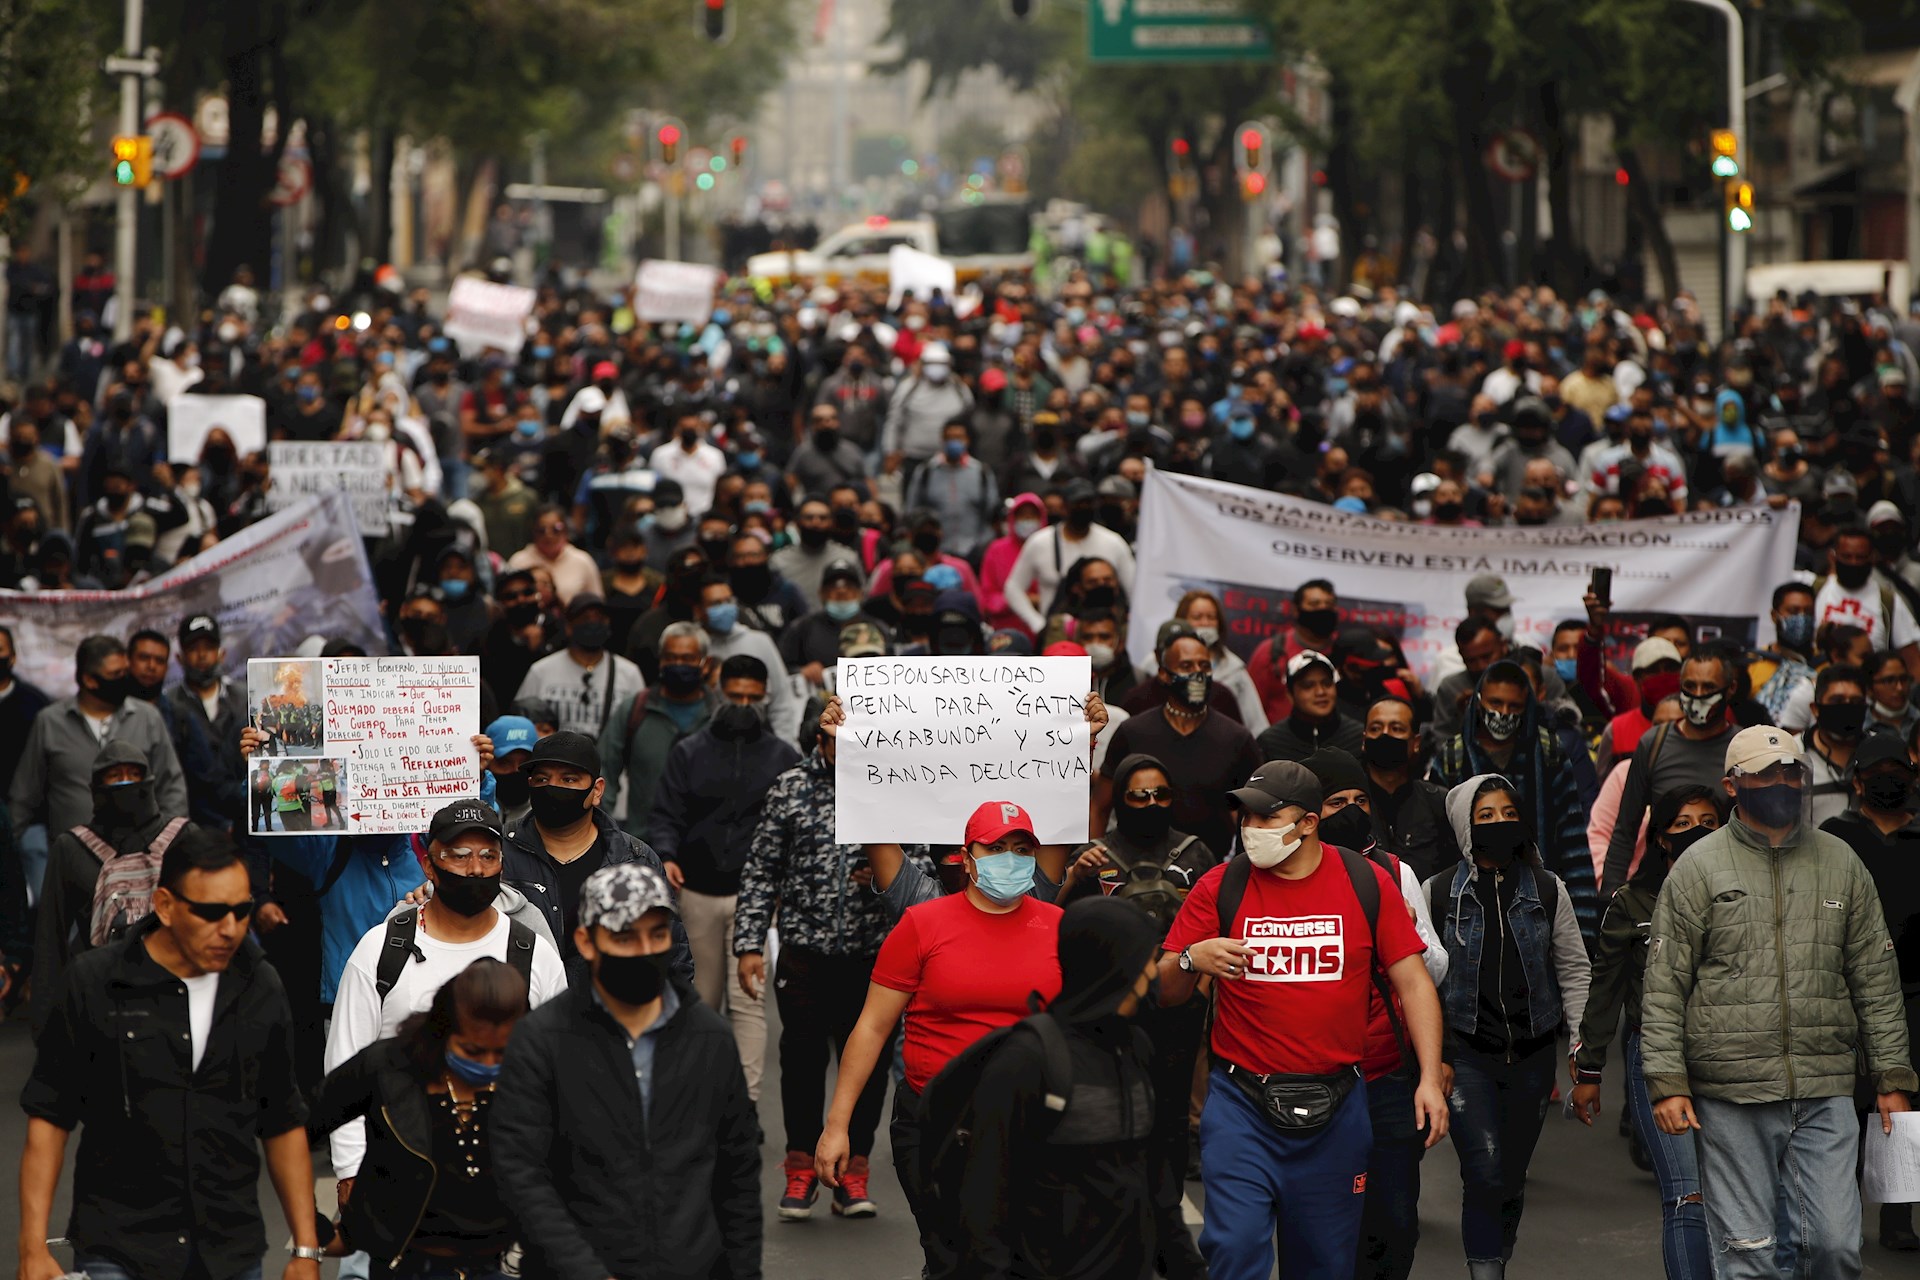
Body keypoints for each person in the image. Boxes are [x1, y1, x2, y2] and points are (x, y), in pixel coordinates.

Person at [1641, 725, 1917, 1280]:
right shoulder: (1698, 867)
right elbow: (1665, 984)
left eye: (1792, 773)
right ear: (1732, 785)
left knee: (1834, 1248)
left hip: (1825, 1088)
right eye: (1766, 775)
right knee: (1749, 1255)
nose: (1782, 784)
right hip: (1730, 1094)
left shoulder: (1840, 862)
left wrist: (1891, 1076)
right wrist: (1667, 1082)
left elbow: (1876, 979)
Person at [1156, 761, 1447, 1280]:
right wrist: (1190, 958)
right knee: (1234, 1249)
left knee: (1324, 1265)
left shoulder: (1366, 882)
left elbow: (1414, 983)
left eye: (1266, 817)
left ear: (1309, 823)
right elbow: (1164, 990)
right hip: (1241, 1105)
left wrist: (1428, 1077)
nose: (1251, 828)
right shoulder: (1222, 885)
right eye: (1245, 816)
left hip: (1338, 1109)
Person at [18, 826, 323, 1280]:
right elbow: (49, 1117)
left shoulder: (260, 986)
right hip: (119, 1247)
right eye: (211, 913)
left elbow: (282, 1121)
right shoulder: (94, 982)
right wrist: (31, 1248)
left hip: (229, 1252)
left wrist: (306, 1250)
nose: (229, 929)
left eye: (241, 911)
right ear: (164, 906)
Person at [813, 801, 1066, 1273]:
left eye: (1021, 849)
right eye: (995, 848)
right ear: (966, 858)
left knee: (1025, 1260)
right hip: (936, 1124)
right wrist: (836, 1126)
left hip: (1030, 1126)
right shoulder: (922, 923)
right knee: (952, 1257)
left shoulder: (1057, 926)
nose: (1010, 859)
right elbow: (872, 1026)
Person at [491, 861, 762, 1280]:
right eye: (624, 937)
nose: (644, 950)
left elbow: (737, 1175)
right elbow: (521, 1173)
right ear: (587, 941)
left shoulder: (709, 1038)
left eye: (657, 934)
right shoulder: (542, 1040)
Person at [324, 801, 568, 1238]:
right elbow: (345, 1060)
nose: (475, 869)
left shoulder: (535, 954)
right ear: (428, 864)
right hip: (397, 1182)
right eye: (459, 855)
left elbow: (562, 1073)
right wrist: (349, 1168)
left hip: (507, 1187)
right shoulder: (380, 950)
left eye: (488, 856)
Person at [734, 703, 924, 1223]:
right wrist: (749, 943)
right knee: (800, 1061)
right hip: (803, 952)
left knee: (869, 1065)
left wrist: (885, 876)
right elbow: (761, 869)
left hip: (875, 954)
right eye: (841, 738)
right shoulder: (790, 787)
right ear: (821, 739)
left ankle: (853, 1171)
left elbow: (925, 867)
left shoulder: (897, 787)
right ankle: (800, 1168)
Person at [1054, 754, 1221, 1279]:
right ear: (1120, 799)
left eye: (1161, 794)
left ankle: (1163, 1220)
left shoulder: (1196, 852)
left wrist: (1199, 993)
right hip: (1110, 1014)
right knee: (1112, 1114)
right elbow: (1058, 925)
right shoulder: (1094, 855)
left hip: (1175, 1009)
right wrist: (1072, 877)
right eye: (1138, 795)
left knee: (1168, 1120)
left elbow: (1217, 923)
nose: (1151, 804)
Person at [1427, 774, 1592, 1280]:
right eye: (1485, 816)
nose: (1499, 823)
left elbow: (1574, 968)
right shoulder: (1438, 893)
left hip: (1533, 1055)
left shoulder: (1547, 888)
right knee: (1483, 1170)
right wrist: (1435, 1060)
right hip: (1466, 1054)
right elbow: (1424, 982)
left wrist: (1581, 1049)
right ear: (1464, 826)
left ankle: (1496, 1255)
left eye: (1508, 813)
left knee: (1511, 1176)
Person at [948, 897, 1165, 1280]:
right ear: (1117, 967)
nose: (1154, 972)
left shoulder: (1137, 1048)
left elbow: (1157, 1187)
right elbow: (985, 1197)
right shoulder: (1027, 1060)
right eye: (1148, 960)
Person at [1572, 785, 1726, 1280]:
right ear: (1660, 836)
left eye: (1708, 822)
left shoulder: (1744, 895)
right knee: (1687, 1196)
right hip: (1657, 1056)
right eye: (1683, 823)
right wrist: (1589, 1069)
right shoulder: (1632, 902)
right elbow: (1606, 988)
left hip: (1732, 1058)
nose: (1697, 832)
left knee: (1735, 1197)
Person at [307, 958, 531, 1280]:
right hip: (407, 1268)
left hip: (501, 1267)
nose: (487, 1064)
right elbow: (293, 1131)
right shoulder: (389, 1068)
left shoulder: (530, 1077)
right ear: (443, 1028)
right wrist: (310, 1230)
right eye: (472, 1051)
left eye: (501, 1053)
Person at [648, 654, 800, 1101]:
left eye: (753, 698)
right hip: (696, 892)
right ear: (719, 692)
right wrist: (666, 856)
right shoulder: (689, 751)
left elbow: (793, 829)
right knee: (700, 1000)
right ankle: (700, 1099)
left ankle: (746, 1101)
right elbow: (666, 813)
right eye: (735, 696)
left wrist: (781, 885)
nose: (744, 706)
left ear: (766, 697)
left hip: (756, 900)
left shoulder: (783, 756)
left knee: (749, 1003)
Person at [1818, 729, 1920, 1251]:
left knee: (1904, 1103)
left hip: (1914, 989)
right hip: (1847, 988)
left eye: (1897, 772)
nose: (1887, 781)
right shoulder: (1833, 838)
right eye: (1877, 772)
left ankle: (1897, 1214)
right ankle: (1844, 1215)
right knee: (1849, 1103)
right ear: (1856, 781)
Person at [498, 730, 694, 981]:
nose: (553, 787)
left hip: (614, 1001)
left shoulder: (635, 860)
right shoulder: (499, 852)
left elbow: (673, 956)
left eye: (569, 779)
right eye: (542, 779)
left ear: (597, 790)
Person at [1429, 659, 1600, 944]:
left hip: (1542, 906)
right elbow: (1439, 846)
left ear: (1528, 706)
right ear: (1478, 701)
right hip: (1466, 914)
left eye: (1514, 706)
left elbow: (1573, 842)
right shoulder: (1452, 756)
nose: (1504, 713)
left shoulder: (1549, 751)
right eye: (1495, 703)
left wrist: (1583, 930)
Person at [29, 740, 190, 1031]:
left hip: (174, 990)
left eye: (133, 774)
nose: (125, 782)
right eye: (115, 776)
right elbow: (50, 940)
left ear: (148, 780)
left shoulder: (183, 837)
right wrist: (46, 1026)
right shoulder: (71, 848)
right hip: (100, 999)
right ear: (97, 787)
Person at [1095, 631, 1262, 858]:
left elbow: (1253, 812)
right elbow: (1100, 807)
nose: (1197, 673)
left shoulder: (1236, 738)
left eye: (1204, 666)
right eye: (1186, 666)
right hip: (1137, 866)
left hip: (1209, 867)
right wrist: (1095, 858)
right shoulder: (1132, 732)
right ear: (1164, 674)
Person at [10, 634, 188, 846]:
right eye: (115, 674)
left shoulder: (147, 718)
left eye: (125, 671)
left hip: (140, 852)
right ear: (89, 680)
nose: (125, 678)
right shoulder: (50, 722)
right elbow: (24, 795)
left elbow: (172, 788)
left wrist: (168, 844)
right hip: (74, 854)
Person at [1599, 650, 1741, 896]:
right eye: (1690, 686)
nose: (1698, 694)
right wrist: (1611, 896)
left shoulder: (1743, 746)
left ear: (1730, 689)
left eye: (1708, 686)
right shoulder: (1654, 743)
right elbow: (1626, 828)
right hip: (1660, 890)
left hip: (1727, 890)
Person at [600, 621, 719, 837]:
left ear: (706, 663)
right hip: (643, 841)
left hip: (705, 844)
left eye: (687, 659)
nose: (678, 664)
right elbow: (605, 769)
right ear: (660, 660)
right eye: (670, 658)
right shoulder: (635, 709)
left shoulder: (719, 715)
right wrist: (604, 830)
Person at [1002, 478, 1136, 636]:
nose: (1083, 508)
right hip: (1057, 635)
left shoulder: (1113, 543)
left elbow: (1135, 590)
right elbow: (1013, 588)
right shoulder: (1040, 542)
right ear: (1064, 507)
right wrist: (1037, 624)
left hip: (1104, 635)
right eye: (1078, 504)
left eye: (1088, 503)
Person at [513, 592, 645, 739]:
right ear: (569, 626)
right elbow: (520, 722)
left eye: (599, 618)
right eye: (585, 618)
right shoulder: (541, 671)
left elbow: (641, 729)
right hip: (555, 752)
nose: (593, 623)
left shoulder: (629, 673)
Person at [1360, 696, 1458, 883]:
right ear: (1364, 740)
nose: (1385, 735)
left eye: (1396, 729)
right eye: (1375, 728)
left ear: (1416, 742)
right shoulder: (1349, 804)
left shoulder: (1439, 802)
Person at [1246, 580, 1341, 724]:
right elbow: (1251, 709)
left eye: (1329, 604)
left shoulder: (1344, 652)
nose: (1323, 609)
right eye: (1314, 604)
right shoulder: (1270, 652)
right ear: (1296, 610)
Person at [1256, 651, 1364, 761]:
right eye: (1308, 686)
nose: (1320, 692)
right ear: (1290, 695)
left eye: (1327, 683)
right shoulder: (1270, 743)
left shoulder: (1358, 737)